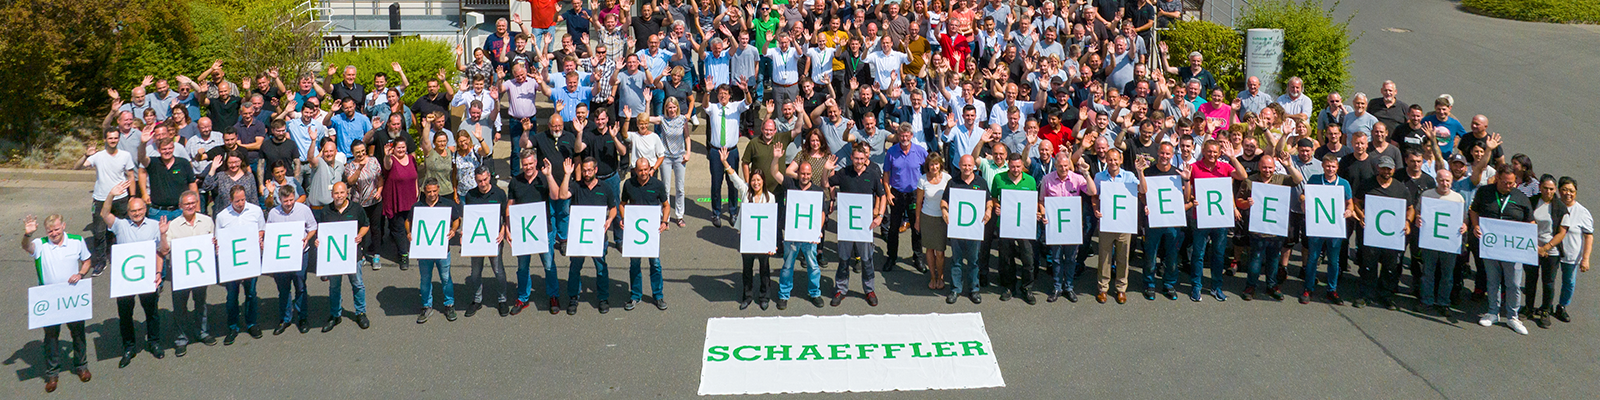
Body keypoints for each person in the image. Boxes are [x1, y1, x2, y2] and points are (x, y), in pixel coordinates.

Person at [22, 214, 94, 392]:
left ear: (63, 226)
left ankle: (81, 366)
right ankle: (52, 374)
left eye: (56, 229)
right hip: (50, 297)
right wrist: (27, 234)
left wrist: (81, 274)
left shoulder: (77, 241)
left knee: (78, 333)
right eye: (50, 231)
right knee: (51, 337)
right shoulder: (40, 244)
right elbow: (26, 247)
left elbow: (87, 261)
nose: (53, 233)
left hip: (72, 295)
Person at [96, 181, 165, 368]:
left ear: (145, 209)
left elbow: (160, 251)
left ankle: (154, 342)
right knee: (125, 315)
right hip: (125, 280)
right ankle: (129, 347)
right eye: (133, 211)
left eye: (140, 209)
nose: (137, 213)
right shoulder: (120, 225)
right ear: (128, 212)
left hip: (148, 277)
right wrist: (111, 194)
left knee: (152, 313)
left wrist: (159, 272)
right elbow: (104, 214)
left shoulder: (154, 225)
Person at [1471, 168, 1535, 335]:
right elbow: (1473, 210)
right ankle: (1493, 311)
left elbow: (1530, 221)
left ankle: (1513, 316)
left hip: (1512, 250)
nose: (1508, 186)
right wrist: (1476, 225)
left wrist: (1531, 231)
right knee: (1492, 280)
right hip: (1491, 247)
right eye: (1505, 182)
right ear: (1497, 178)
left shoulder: (1521, 197)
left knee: (1513, 283)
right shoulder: (1484, 192)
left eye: (1511, 183)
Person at [508, 154, 571, 315]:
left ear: (535, 162)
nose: (528, 167)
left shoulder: (544, 179)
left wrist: (549, 175)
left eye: (530, 163)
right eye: (525, 164)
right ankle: (523, 297)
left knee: (549, 265)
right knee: (522, 267)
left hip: (544, 229)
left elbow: (556, 196)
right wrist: (508, 227)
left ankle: (553, 296)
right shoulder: (515, 181)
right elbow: (510, 205)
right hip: (522, 231)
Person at [1188, 140, 1250, 302]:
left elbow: (1243, 176)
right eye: (1209, 151)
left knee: (1218, 254)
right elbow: (1188, 191)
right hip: (1200, 217)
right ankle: (1196, 286)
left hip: (1220, 218)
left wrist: (1233, 157)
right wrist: (1193, 198)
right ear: (1203, 150)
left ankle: (1216, 287)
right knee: (1198, 254)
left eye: (1215, 152)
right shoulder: (1194, 167)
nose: (1212, 154)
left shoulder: (1225, 167)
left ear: (1219, 152)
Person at [1353, 156, 1416, 310]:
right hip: (1372, 233)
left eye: (1389, 168)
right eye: (1383, 168)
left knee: (1390, 267)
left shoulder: (1400, 189)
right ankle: (1366, 295)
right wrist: (1361, 216)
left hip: (1392, 235)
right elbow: (1356, 202)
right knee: (1369, 265)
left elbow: (1410, 208)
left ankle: (1386, 296)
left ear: (1393, 170)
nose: (1386, 171)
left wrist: (1408, 222)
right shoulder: (1367, 184)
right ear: (1378, 168)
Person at [828, 142, 887, 307]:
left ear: (866, 157)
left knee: (867, 259)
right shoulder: (844, 173)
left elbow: (882, 196)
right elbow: (827, 184)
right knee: (843, 259)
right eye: (856, 158)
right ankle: (841, 289)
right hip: (846, 224)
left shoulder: (873, 174)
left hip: (865, 225)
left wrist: (880, 216)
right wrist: (827, 170)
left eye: (862, 158)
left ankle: (869, 290)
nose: (859, 161)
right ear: (852, 158)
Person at [164, 190, 215, 356]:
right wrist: (162, 234)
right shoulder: (172, 225)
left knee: (201, 303)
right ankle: (181, 339)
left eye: (193, 203)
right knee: (180, 307)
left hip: (200, 272)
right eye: (187, 204)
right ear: (180, 206)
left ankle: (202, 332)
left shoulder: (207, 221)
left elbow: (212, 245)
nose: (191, 206)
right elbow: (165, 250)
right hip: (181, 274)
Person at [566, 157, 620, 314]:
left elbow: (614, 208)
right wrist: (567, 175)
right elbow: (563, 195)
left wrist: (610, 219)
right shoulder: (576, 186)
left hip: (598, 235)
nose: (586, 173)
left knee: (601, 266)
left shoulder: (606, 188)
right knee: (575, 268)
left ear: (595, 170)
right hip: (579, 236)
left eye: (589, 170)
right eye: (584, 170)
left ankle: (603, 298)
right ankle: (573, 297)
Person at [1300, 154, 1354, 305]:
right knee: (1312, 258)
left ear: (1337, 167)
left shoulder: (1343, 183)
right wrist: (1303, 200)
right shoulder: (1315, 179)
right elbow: (1304, 196)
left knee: (1333, 260)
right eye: (1328, 166)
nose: (1330, 169)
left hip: (1334, 226)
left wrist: (1349, 210)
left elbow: (1350, 203)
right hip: (1317, 225)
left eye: (1333, 166)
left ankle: (1332, 289)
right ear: (1323, 166)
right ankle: (1308, 288)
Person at [84, 129, 139, 276]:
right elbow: (79, 166)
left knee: (122, 230)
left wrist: (132, 196)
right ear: (105, 140)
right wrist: (86, 155)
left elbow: (131, 176)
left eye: (115, 138)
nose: (113, 140)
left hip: (120, 199)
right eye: (110, 138)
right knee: (99, 231)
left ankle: (123, 257)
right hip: (101, 198)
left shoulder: (125, 156)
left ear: (118, 139)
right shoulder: (98, 156)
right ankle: (101, 262)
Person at [317, 182, 372, 330]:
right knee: (334, 286)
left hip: (353, 255)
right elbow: (321, 232)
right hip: (334, 257)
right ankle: (335, 315)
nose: (339, 196)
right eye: (336, 193)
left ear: (346, 193)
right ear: (332, 194)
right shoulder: (326, 211)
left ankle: (361, 313)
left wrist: (360, 235)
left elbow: (366, 225)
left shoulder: (356, 209)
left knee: (357, 284)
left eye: (341, 193)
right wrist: (318, 241)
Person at [621, 158, 672, 311]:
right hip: (635, 233)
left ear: (650, 168)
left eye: (645, 169)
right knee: (635, 264)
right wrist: (624, 219)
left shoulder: (657, 185)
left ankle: (658, 295)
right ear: (635, 170)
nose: (643, 173)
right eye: (640, 170)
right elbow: (622, 205)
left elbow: (666, 205)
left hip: (651, 231)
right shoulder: (629, 184)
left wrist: (664, 222)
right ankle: (635, 295)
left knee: (655, 264)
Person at [215, 186, 264, 343]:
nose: (241, 203)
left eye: (243, 199)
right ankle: (233, 327)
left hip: (251, 260)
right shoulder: (222, 216)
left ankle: (251, 324)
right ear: (230, 200)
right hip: (232, 263)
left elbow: (262, 230)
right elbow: (218, 239)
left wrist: (259, 238)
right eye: (237, 201)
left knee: (251, 293)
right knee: (232, 296)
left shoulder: (256, 211)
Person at [265, 185, 317, 334]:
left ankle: (302, 318)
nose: (289, 203)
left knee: (300, 286)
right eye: (285, 201)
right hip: (281, 258)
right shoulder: (274, 213)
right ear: (279, 199)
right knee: (283, 288)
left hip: (301, 254)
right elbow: (270, 234)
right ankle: (285, 318)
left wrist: (307, 237)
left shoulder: (304, 210)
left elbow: (313, 227)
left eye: (291, 200)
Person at [462, 167, 513, 317]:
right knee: (476, 272)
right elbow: (470, 217)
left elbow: (505, 216)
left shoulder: (499, 194)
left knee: (498, 271)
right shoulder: (471, 195)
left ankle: (502, 300)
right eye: (479, 181)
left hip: (494, 239)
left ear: (489, 177)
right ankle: (477, 300)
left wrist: (503, 232)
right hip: (477, 240)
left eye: (485, 180)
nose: (482, 184)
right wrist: (465, 233)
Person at [412, 178, 460, 322]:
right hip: (424, 251)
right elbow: (409, 221)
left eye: (434, 191)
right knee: (425, 279)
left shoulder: (448, 204)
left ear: (438, 189)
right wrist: (409, 233)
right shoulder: (417, 207)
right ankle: (426, 306)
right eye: (429, 192)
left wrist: (453, 229)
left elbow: (456, 219)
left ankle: (449, 304)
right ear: (424, 191)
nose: (432, 194)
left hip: (442, 250)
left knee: (446, 278)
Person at [1418, 168, 1466, 315]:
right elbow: (1419, 213)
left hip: (1449, 244)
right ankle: (1427, 301)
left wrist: (1465, 226)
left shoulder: (1458, 198)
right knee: (1428, 273)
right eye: (1441, 180)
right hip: (1430, 241)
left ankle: (1444, 303)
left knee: (1447, 275)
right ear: (1436, 181)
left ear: (1451, 182)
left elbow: (1464, 219)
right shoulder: (1427, 195)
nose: (1444, 184)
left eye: (1447, 181)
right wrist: (1418, 219)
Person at [1134, 143, 1177, 301]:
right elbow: (1142, 193)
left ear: (1172, 155)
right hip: (1152, 220)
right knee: (1150, 255)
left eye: (1168, 154)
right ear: (1157, 153)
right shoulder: (1149, 172)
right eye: (1162, 153)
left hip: (1172, 221)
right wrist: (1146, 204)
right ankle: (1149, 284)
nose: (1164, 156)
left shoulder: (1177, 174)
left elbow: (1184, 197)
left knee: (1171, 257)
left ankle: (1169, 284)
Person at [1092, 149, 1134, 304]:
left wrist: (1141, 173)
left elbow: (1142, 191)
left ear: (1121, 160)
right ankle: (1103, 288)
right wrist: (1096, 209)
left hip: (1124, 224)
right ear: (1106, 161)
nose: (1113, 163)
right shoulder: (1099, 177)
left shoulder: (1129, 177)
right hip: (1107, 222)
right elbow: (1095, 195)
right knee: (1104, 257)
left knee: (1123, 256)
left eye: (1116, 160)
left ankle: (1121, 288)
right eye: (1110, 160)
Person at [883, 126, 928, 272]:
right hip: (897, 193)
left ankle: (918, 258)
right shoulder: (892, 152)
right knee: (894, 228)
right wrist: (888, 193)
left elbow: (930, 170)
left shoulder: (920, 151)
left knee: (916, 227)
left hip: (914, 194)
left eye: (907, 135)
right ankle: (891, 257)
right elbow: (886, 174)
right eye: (901, 136)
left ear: (912, 135)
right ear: (898, 135)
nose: (904, 139)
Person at [705, 84, 749, 227]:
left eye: (725, 93)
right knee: (716, 184)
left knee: (733, 183)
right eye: (720, 94)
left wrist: (746, 90)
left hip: (731, 151)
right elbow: (705, 105)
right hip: (716, 151)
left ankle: (733, 212)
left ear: (730, 95)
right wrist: (707, 91)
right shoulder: (713, 108)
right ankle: (716, 212)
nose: (722, 96)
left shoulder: (736, 107)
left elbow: (748, 102)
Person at [1529, 174, 1567, 328]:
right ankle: (1528, 307)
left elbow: (1562, 232)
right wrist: (1536, 247)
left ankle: (1545, 310)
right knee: (1531, 280)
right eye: (1545, 188)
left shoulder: (1560, 207)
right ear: (1539, 187)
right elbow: (1526, 222)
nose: (1548, 192)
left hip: (1550, 252)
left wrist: (1545, 248)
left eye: (1551, 189)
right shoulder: (1532, 202)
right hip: (1532, 248)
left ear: (1555, 189)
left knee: (1548, 282)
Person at [1553, 177, 1592, 324]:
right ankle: (1546, 306)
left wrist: (1585, 258)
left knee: (1569, 282)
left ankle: (1562, 306)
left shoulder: (1582, 212)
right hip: (1551, 252)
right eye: (1564, 190)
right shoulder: (1552, 206)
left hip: (1571, 255)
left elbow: (1588, 237)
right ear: (1559, 190)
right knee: (1548, 281)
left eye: (1571, 191)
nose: (1567, 193)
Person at [380, 138, 419, 270]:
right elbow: (387, 165)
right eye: (398, 148)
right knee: (399, 229)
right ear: (394, 149)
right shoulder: (391, 160)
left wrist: (417, 190)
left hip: (410, 199)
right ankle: (403, 255)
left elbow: (415, 177)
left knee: (410, 226)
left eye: (403, 147)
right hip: (395, 199)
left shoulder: (411, 159)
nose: (401, 150)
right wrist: (386, 155)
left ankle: (409, 248)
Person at [916, 152, 953, 291]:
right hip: (927, 217)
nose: (934, 167)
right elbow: (919, 202)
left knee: (941, 251)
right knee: (929, 250)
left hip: (942, 219)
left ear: (940, 165)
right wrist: (917, 221)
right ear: (928, 165)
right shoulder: (922, 180)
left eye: (936, 164)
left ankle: (941, 276)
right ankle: (933, 276)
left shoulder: (947, 179)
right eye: (931, 164)